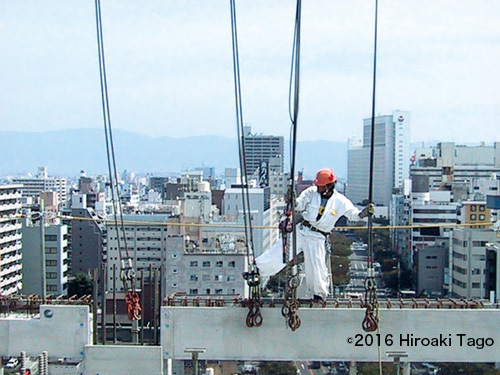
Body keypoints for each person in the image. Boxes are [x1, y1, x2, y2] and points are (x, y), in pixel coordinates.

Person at [255, 168, 374, 302]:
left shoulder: (340, 201)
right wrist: (292, 200)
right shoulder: (311, 192)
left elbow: (353, 214)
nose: (317, 188)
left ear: (328, 186)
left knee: (317, 265)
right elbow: (299, 204)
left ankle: (319, 294)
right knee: (281, 251)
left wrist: (363, 214)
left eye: (320, 186)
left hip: (318, 236)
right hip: (302, 229)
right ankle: (258, 270)